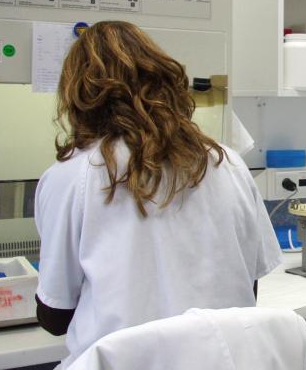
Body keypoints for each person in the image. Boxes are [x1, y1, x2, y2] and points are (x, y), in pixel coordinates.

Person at [34, 21, 282, 368]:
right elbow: (248, 287)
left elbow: (55, 317)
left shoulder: (71, 176)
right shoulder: (227, 163)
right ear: (162, 81)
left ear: (79, 96)